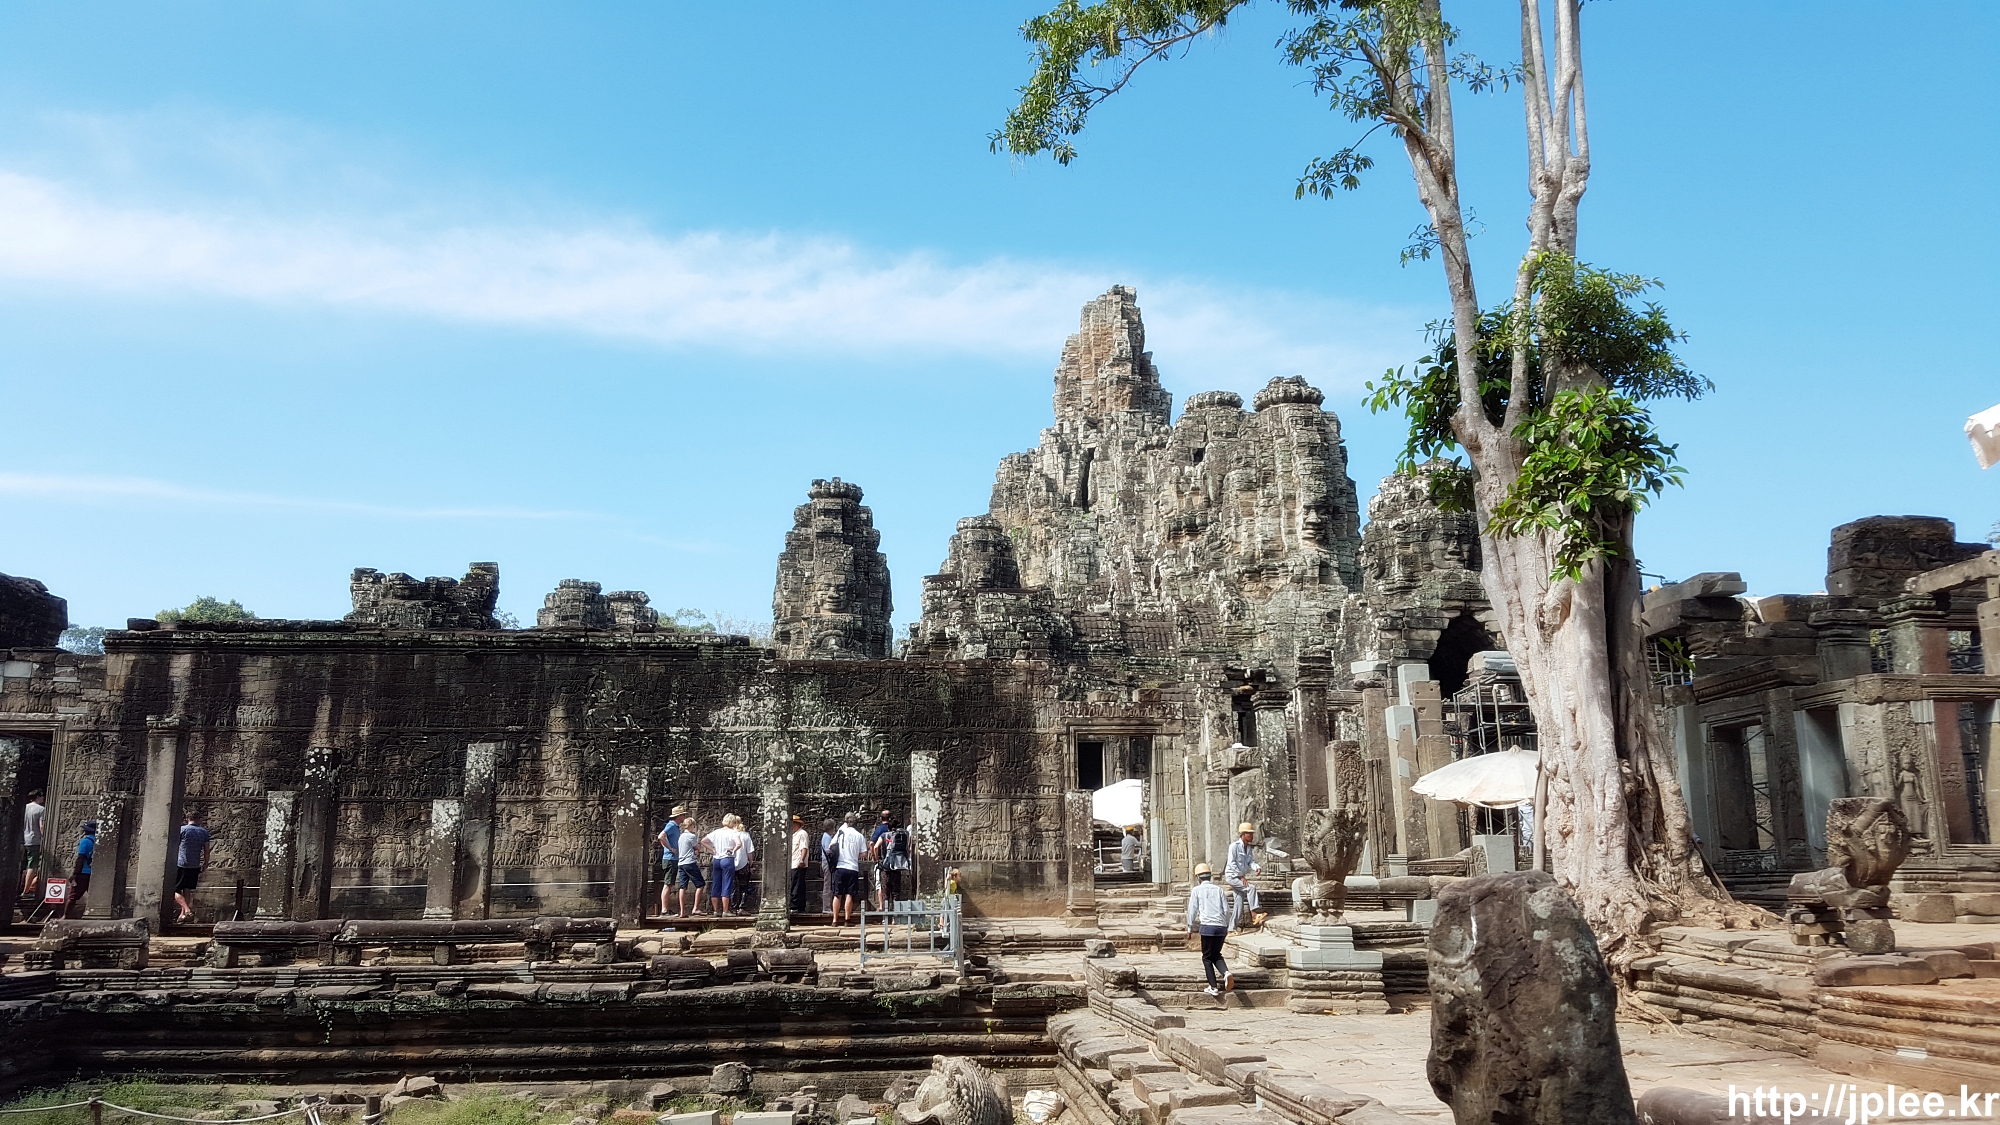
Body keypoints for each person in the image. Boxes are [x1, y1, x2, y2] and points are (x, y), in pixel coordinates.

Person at [1185, 862, 1233, 996]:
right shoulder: (1219, 890)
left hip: (1207, 927)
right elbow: (1226, 910)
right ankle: (1226, 972)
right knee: (1216, 954)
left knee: (1206, 958)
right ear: (1210, 876)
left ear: (1198, 877)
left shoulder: (1197, 890)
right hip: (1221, 927)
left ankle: (1213, 986)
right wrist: (1227, 926)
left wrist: (1189, 927)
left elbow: (1192, 910)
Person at [173, 810, 212, 924]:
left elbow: (174, 846)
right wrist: (206, 863)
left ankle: (187, 910)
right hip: (194, 864)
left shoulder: (182, 830)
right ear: (198, 819)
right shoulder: (204, 832)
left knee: (173, 890)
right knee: (187, 890)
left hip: (181, 863)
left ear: (187, 819)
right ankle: (182, 915)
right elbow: (207, 851)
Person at [831, 813, 867, 926]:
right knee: (849, 894)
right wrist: (855, 855)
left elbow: (831, 846)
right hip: (852, 867)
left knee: (837, 894)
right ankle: (847, 919)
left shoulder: (841, 833)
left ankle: (835, 920)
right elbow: (864, 853)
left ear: (846, 822)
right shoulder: (859, 836)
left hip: (840, 866)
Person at [1225, 822, 1262, 929]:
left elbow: (1250, 861)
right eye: (1249, 834)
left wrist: (1256, 867)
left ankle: (1231, 928)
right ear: (1243, 834)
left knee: (1238, 904)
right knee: (1251, 888)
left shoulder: (1248, 848)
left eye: (1252, 834)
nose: (1252, 836)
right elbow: (1231, 863)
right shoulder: (1234, 846)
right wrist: (1241, 876)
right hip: (1232, 876)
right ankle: (1254, 914)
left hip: (1240, 877)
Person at [873, 812, 912, 907]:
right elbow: (908, 849)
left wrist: (877, 859)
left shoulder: (884, 835)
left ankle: (885, 913)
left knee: (885, 892)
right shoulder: (903, 835)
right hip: (897, 866)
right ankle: (895, 913)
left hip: (885, 867)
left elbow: (875, 847)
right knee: (896, 892)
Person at [656, 807, 688, 919]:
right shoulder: (671, 825)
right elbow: (661, 837)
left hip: (673, 858)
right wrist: (670, 849)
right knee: (668, 884)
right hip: (670, 858)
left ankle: (665, 909)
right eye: (683, 815)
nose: (684, 817)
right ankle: (664, 910)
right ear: (678, 816)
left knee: (669, 883)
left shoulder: (675, 827)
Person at [705, 816, 741, 915]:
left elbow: (703, 841)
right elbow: (738, 844)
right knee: (727, 884)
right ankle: (725, 911)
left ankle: (716, 910)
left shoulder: (716, 832)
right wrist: (733, 850)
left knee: (716, 884)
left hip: (717, 859)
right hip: (727, 859)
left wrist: (712, 849)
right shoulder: (733, 832)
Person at [673, 817, 705, 917]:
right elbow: (697, 848)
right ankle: (695, 908)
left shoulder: (681, 836)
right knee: (700, 884)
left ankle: (682, 911)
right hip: (690, 862)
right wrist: (696, 850)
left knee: (683, 886)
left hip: (681, 863)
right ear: (691, 826)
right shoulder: (691, 836)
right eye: (693, 826)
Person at [726, 814, 757, 913]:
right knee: (744, 886)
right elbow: (750, 852)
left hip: (730, 863)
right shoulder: (745, 835)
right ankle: (742, 908)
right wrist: (751, 864)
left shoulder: (729, 834)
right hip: (743, 863)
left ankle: (733, 907)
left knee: (732, 886)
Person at [20, 789, 45, 900]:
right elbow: (41, 826)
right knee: (32, 866)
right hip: (34, 840)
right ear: (37, 797)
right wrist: (44, 838)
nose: (43, 798)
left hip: (23, 839)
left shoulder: (25, 807)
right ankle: (26, 890)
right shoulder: (41, 809)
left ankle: (18, 888)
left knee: (22, 865)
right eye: (42, 796)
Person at [69, 820, 97, 918]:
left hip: (83, 872)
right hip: (95, 873)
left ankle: (66, 915)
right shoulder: (99, 842)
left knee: (72, 896)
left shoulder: (85, 841)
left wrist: (75, 874)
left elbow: (80, 858)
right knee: (93, 896)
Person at [788, 815, 812, 913]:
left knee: (796, 885)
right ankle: (800, 906)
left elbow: (804, 848)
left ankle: (794, 906)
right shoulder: (794, 835)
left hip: (797, 863)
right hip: (793, 862)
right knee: (799, 884)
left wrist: (802, 860)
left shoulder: (802, 834)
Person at [818, 818, 839, 915]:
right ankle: (826, 907)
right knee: (827, 884)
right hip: (827, 862)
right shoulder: (827, 837)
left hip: (826, 862)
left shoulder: (827, 836)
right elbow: (828, 851)